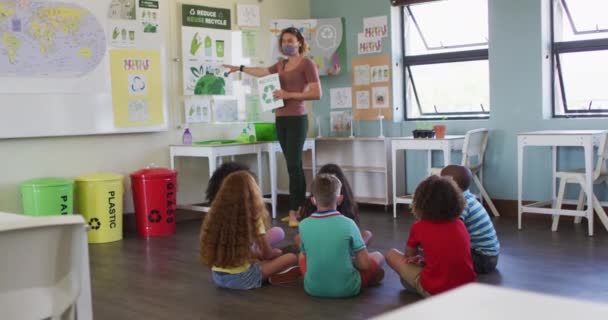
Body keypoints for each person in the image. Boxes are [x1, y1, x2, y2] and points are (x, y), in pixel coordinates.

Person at [224, 27, 322, 228]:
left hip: (297, 119)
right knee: (290, 165)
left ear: (299, 43)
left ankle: (297, 210)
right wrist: (240, 68)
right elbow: (262, 72)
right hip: (281, 119)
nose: (287, 44)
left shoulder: (307, 64)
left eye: (291, 41)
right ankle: (298, 209)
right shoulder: (280, 65)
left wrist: (289, 95)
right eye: (284, 41)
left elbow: (316, 93)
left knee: (294, 165)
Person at [199, 171, 298, 289]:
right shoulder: (253, 217)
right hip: (242, 279)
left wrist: (256, 255)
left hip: (217, 277)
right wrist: (278, 253)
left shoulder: (216, 215)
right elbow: (267, 254)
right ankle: (273, 274)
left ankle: (264, 267)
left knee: (272, 239)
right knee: (291, 257)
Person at [386, 175, 476, 297]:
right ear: (456, 199)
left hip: (437, 291)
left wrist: (418, 259)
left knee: (391, 254)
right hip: (466, 288)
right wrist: (425, 260)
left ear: (420, 202)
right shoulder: (460, 224)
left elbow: (409, 256)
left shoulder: (419, 226)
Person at [298, 173, 385, 298]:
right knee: (378, 256)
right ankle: (364, 277)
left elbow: (306, 256)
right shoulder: (349, 224)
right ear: (340, 199)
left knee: (301, 254)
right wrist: (354, 262)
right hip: (346, 289)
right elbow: (365, 265)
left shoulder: (303, 225)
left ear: (313, 200)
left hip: (312, 288)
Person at [440, 165, 500, 274]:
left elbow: (452, 230)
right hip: (488, 256)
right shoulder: (466, 197)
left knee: (443, 256)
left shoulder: (460, 203)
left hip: (482, 259)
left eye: (441, 181)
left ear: (451, 183)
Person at [296, 163, 372, 245]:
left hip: (317, 246)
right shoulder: (349, 220)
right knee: (367, 234)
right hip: (341, 246)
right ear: (340, 198)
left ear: (313, 200)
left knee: (298, 237)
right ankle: (352, 254)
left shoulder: (305, 220)